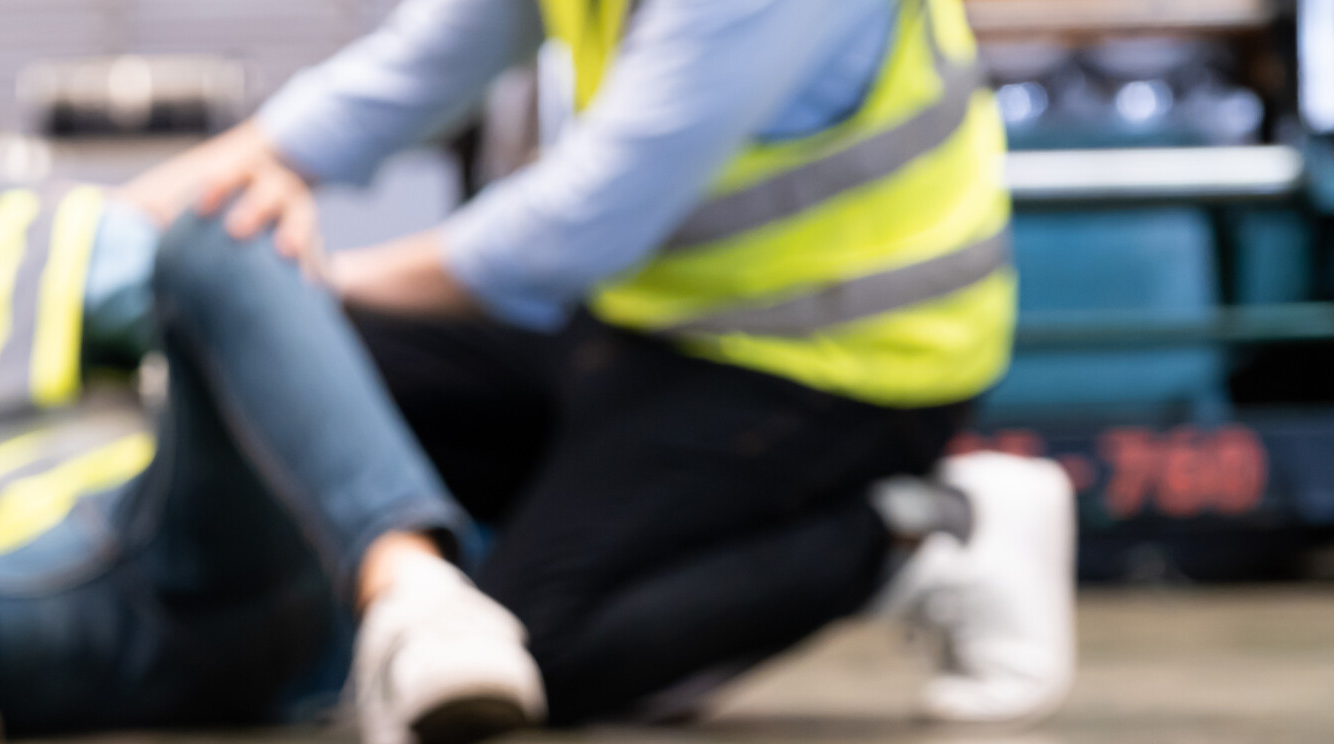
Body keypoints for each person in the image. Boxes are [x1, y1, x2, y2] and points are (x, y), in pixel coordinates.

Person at [125, 0, 1076, 727]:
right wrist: (117, 226)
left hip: (842, 366)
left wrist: (299, 287)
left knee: (528, 656)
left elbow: (571, 230)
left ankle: (917, 537)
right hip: (650, 326)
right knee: (319, 380)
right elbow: (400, 79)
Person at [0, 12, 544, 744]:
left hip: (182, 558)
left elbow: (236, 303)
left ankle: (414, 600)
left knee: (230, 221)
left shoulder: (39, 242)